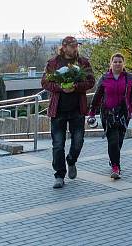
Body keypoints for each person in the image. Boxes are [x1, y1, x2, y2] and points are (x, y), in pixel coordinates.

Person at [42, 36, 95, 188]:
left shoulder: (83, 62)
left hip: (77, 109)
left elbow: (91, 81)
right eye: (72, 46)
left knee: (78, 141)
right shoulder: (53, 63)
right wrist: (61, 88)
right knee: (58, 145)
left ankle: (71, 160)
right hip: (58, 110)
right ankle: (59, 175)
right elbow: (45, 82)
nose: (75, 48)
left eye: (76, 46)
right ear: (64, 47)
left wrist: (76, 87)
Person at [88, 53, 132, 179]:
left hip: (123, 114)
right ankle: (116, 167)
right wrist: (92, 112)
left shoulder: (130, 78)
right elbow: (97, 96)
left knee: (119, 141)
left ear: (123, 63)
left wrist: (130, 109)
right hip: (108, 114)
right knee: (113, 140)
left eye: (120, 62)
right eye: (115, 62)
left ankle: (113, 159)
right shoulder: (105, 78)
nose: (117, 64)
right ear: (111, 63)